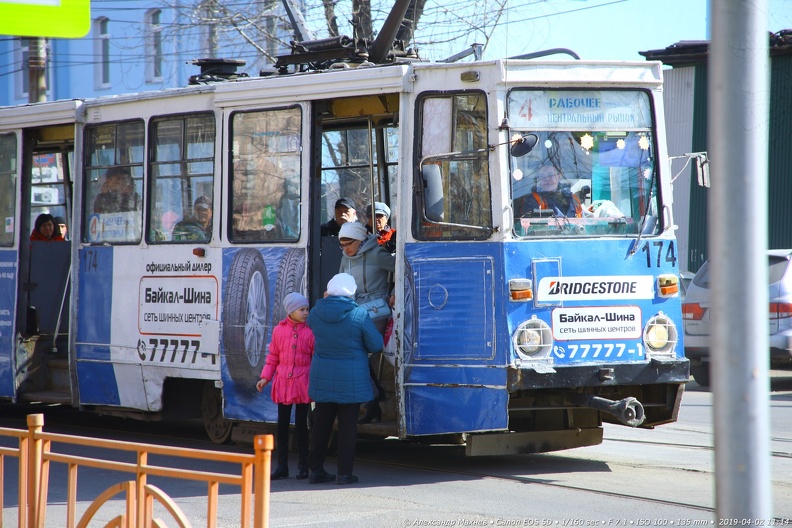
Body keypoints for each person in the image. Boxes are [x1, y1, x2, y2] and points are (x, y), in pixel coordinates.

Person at [306, 273, 384, 485]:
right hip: (351, 379)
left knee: (321, 424)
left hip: (322, 376)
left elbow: (314, 330)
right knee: (348, 426)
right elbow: (376, 345)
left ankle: (315, 470)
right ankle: (344, 474)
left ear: (329, 291)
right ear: (352, 292)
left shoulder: (314, 312)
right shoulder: (359, 314)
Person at [337, 221, 395, 423]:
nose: (345, 249)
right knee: (354, 352)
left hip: (377, 311)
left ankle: (374, 398)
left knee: (356, 350)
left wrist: (394, 293)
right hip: (356, 311)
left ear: (360, 239)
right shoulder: (345, 259)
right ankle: (374, 399)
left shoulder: (377, 254)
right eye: (342, 245)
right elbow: (341, 284)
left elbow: (402, 269)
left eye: (348, 244)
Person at [255, 292, 314, 481]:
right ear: (291, 311)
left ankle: (303, 465)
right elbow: (273, 356)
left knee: (301, 426)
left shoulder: (310, 332)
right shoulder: (279, 331)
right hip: (283, 383)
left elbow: (315, 358)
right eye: (302, 309)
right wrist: (265, 377)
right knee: (282, 426)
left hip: (302, 382)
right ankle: (281, 465)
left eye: (306, 309)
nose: (305, 313)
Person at [515, 163, 582, 218]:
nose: (547, 179)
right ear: (538, 180)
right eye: (542, 176)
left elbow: (584, 220)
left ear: (559, 176)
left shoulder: (573, 199)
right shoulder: (531, 201)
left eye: (550, 175)